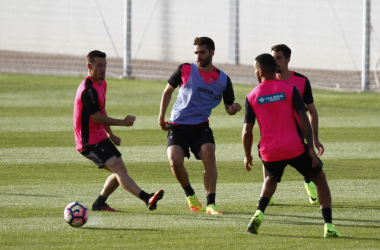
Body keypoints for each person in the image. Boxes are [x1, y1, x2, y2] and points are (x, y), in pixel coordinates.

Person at [242, 53, 341, 237]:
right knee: (320, 180)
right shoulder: (289, 89)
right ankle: (329, 226)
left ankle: (259, 213)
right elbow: (303, 118)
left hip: (269, 151)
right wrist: (310, 147)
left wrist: (247, 155)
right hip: (293, 147)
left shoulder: (252, 95)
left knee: (270, 179)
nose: (255, 72)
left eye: (255, 69)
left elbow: (247, 131)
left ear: (261, 71)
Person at [158, 37, 241, 215]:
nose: (198, 56)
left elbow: (229, 108)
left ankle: (211, 203)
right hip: (178, 125)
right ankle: (190, 194)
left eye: (202, 52)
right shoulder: (185, 69)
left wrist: (234, 109)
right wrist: (161, 116)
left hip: (200, 126)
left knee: (209, 155)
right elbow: (168, 91)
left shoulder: (224, 80)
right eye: (196, 52)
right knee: (174, 161)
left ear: (212, 52)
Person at [73, 50, 164, 212]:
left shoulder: (102, 84)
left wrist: (110, 134)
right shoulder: (88, 90)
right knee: (119, 169)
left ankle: (99, 203)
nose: (103, 69)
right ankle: (147, 198)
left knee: (120, 170)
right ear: (89, 66)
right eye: (99, 66)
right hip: (88, 142)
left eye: (105, 65)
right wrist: (123, 123)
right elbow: (97, 118)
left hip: (100, 137)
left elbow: (102, 112)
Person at [261, 44, 323, 205]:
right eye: (273, 58)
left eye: (279, 58)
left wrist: (315, 139)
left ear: (288, 59)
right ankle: (268, 195)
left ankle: (309, 182)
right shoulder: (267, 81)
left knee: (306, 161)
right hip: (274, 131)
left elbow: (312, 111)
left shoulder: (301, 81)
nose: (275, 62)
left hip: (298, 131)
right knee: (266, 156)